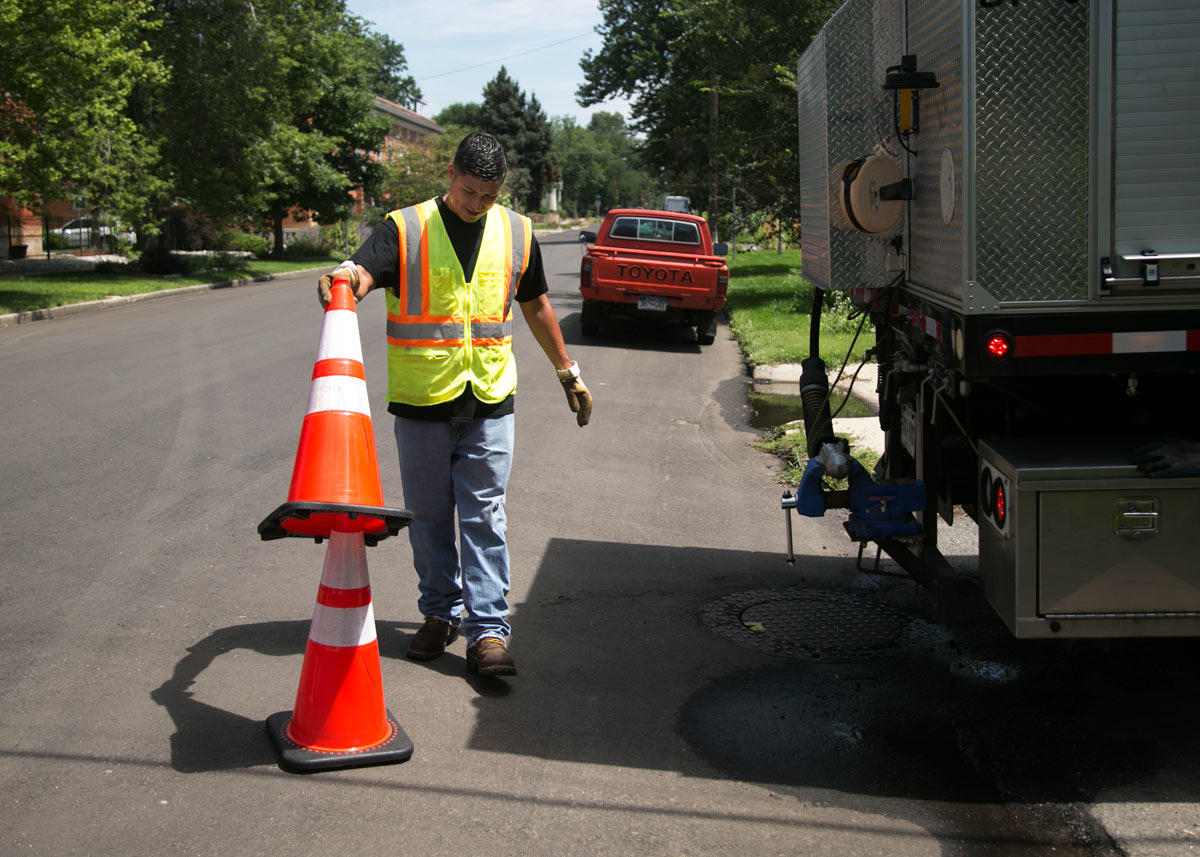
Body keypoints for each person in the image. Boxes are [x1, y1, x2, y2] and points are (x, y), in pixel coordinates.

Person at [317, 132, 592, 677]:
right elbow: (362, 272)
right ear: (450, 174)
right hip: (422, 402)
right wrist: (344, 280)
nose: (477, 205)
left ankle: (488, 632)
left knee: (484, 516)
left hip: (490, 399)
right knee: (430, 518)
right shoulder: (407, 228)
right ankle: (440, 614)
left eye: (488, 195)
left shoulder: (516, 231)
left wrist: (568, 373)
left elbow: (535, 304)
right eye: (469, 192)